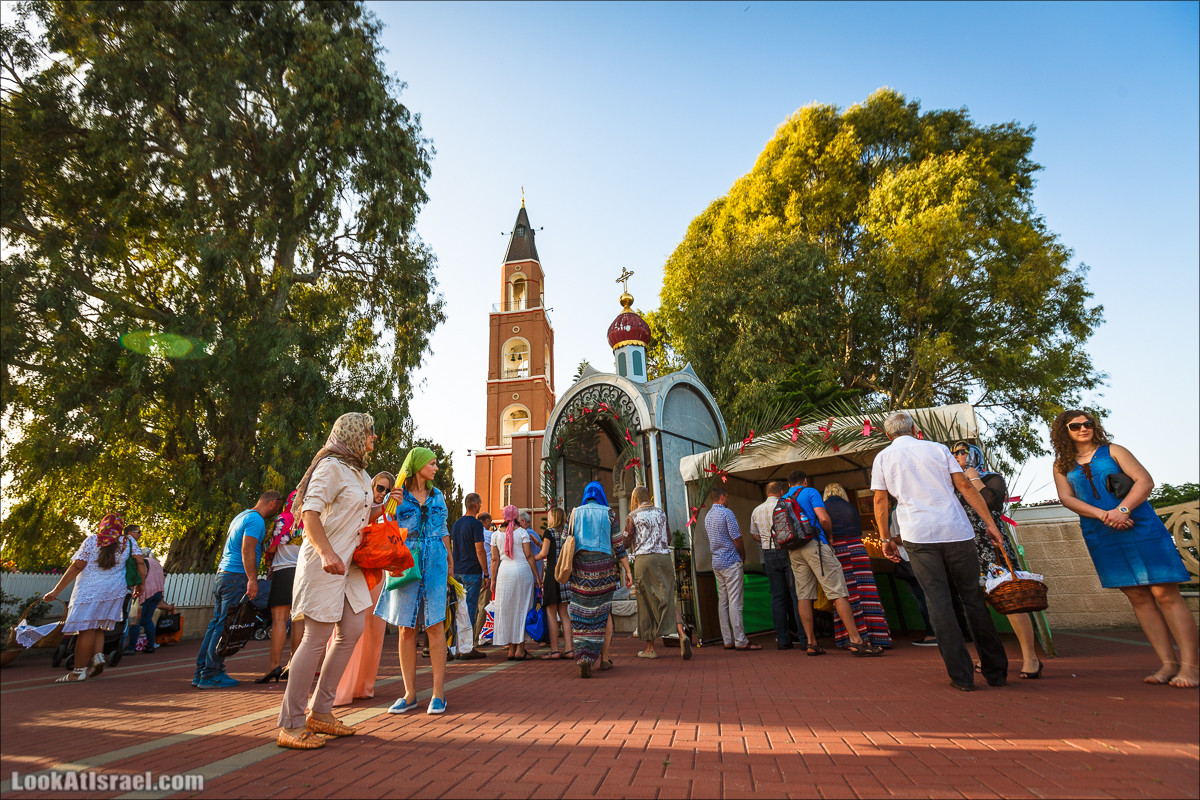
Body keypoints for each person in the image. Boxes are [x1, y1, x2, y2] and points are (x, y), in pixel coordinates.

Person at [1052, 410, 1197, 689]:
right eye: (1076, 426)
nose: (1083, 428)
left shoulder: (1114, 450)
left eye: (1088, 424)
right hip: (1101, 531)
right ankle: (1168, 664)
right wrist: (1104, 515)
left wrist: (1121, 510)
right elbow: (1066, 498)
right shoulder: (1061, 463)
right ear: (1065, 431)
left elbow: (1145, 481)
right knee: (1138, 597)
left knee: (1165, 593)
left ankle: (1191, 666)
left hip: (1139, 525)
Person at [872, 411, 1008, 691]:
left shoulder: (883, 457)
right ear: (916, 429)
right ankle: (996, 672)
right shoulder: (937, 449)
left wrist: (885, 538)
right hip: (955, 529)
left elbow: (880, 499)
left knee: (938, 601)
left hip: (918, 535)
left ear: (888, 435)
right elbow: (964, 486)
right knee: (972, 596)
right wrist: (990, 523)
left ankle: (962, 676)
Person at [274, 412, 377, 750]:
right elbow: (309, 513)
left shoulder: (360, 473)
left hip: (350, 566)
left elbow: (357, 513)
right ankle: (289, 723)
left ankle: (320, 712)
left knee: (352, 631)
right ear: (353, 434)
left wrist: (382, 506)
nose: (373, 439)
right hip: (325, 562)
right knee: (316, 638)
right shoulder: (330, 466)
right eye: (369, 433)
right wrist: (326, 553)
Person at [949, 442, 1042, 679]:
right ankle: (987, 655)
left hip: (992, 544)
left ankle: (1030, 656)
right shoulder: (950, 484)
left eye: (962, 451)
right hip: (966, 545)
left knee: (1011, 599)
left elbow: (992, 503)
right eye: (954, 453)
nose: (958, 455)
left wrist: (973, 477)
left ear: (975, 455)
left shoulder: (992, 477)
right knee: (977, 604)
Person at [377, 447, 453, 715]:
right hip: (404, 561)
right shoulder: (397, 496)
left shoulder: (438, 495)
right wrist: (389, 505)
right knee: (405, 628)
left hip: (435, 561)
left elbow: (444, 529)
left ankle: (438, 693)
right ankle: (409, 694)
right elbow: (383, 526)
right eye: (432, 463)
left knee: (435, 625)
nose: (436, 468)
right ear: (418, 464)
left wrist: (450, 562)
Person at [783, 471, 884, 657]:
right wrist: (828, 535)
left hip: (793, 549)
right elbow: (823, 518)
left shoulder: (783, 498)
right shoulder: (810, 492)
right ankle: (857, 641)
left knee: (804, 595)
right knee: (837, 590)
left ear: (789, 484)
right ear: (805, 481)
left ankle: (811, 643)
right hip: (815, 545)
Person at [195, 490, 283, 689]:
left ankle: (202, 671)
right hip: (235, 576)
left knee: (216, 624)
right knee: (224, 626)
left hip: (223, 575)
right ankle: (211, 673)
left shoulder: (241, 516)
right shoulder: (256, 520)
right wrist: (252, 579)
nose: (277, 512)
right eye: (278, 507)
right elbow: (247, 548)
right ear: (273, 503)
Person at [43, 514, 140, 683]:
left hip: (89, 591)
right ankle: (98, 657)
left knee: (85, 630)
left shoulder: (92, 540)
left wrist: (56, 591)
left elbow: (77, 566)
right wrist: (141, 584)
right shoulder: (128, 542)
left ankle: (78, 671)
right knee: (97, 626)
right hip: (113, 592)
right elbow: (139, 561)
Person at [327, 471, 395, 703]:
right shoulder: (358, 505)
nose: (382, 494)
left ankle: (364, 686)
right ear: (371, 486)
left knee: (374, 633)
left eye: (387, 490)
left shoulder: (389, 514)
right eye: (380, 488)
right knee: (348, 630)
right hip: (355, 575)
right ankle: (339, 689)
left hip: (377, 579)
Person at [568, 481, 632, 677]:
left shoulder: (574, 513)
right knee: (604, 612)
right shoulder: (609, 513)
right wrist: (628, 571)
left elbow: (565, 540)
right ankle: (603, 659)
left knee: (580, 612)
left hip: (580, 568)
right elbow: (619, 546)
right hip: (604, 568)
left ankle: (583, 657)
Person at [821, 483, 892, 650]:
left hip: (838, 549)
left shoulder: (823, 507)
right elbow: (859, 531)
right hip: (857, 548)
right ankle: (879, 636)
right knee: (867, 591)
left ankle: (851, 637)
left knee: (844, 594)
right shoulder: (851, 507)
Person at [626, 486, 691, 660]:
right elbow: (668, 537)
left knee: (646, 601)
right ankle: (681, 634)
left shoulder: (633, 516)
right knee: (668, 598)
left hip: (644, 560)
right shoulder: (661, 513)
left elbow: (626, 541)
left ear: (636, 499)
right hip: (664, 558)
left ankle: (650, 648)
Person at [256, 490, 305, 682]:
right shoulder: (310, 519)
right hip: (302, 573)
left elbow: (271, 547)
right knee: (298, 619)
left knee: (278, 620)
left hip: (283, 571)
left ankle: (273, 666)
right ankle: (293, 665)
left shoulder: (282, 519)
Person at [703, 485, 760, 651]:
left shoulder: (707, 516)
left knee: (724, 602)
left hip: (717, 562)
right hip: (730, 561)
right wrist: (743, 554)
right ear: (722, 497)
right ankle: (740, 640)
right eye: (726, 497)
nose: (727, 500)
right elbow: (737, 538)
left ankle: (727, 639)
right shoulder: (727, 513)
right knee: (735, 601)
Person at [749, 480, 802, 650]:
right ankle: (804, 637)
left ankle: (782, 639)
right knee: (795, 595)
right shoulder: (784, 505)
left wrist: (766, 539)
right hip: (786, 551)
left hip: (768, 554)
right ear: (780, 491)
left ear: (766, 493)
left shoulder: (757, 510)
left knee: (777, 598)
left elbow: (754, 535)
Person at [491, 504, 541, 660]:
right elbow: (529, 556)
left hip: (504, 573)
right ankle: (520, 648)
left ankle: (511, 649)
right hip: (522, 573)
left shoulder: (495, 535)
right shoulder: (522, 533)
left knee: (507, 610)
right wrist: (537, 577)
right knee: (523, 608)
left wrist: (492, 579)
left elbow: (494, 559)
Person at [449, 493, 488, 660]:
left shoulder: (457, 524)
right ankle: (467, 648)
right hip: (472, 571)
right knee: (470, 609)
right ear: (475, 505)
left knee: (457, 609)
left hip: (457, 570)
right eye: (479, 504)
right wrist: (486, 573)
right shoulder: (476, 524)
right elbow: (480, 550)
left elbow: (451, 546)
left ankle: (456, 647)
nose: (480, 507)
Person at [124, 524, 167, 655]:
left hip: (145, 593)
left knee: (135, 621)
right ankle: (150, 645)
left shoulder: (144, 563)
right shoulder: (157, 564)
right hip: (157, 593)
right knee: (147, 620)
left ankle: (131, 648)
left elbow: (140, 575)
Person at [537, 507, 574, 660]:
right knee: (564, 613)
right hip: (564, 574)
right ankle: (569, 649)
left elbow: (544, 553)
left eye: (549, 516)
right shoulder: (566, 533)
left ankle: (554, 650)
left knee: (551, 613)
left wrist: (533, 557)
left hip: (552, 574)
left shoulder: (549, 532)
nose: (548, 518)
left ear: (554, 517)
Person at [474, 512, 493, 644]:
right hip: (486, 574)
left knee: (471, 607)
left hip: (472, 572)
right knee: (482, 607)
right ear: (486, 521)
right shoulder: (489, 535)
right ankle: (475, 639)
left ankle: (467, 639)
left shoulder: (472, 533)